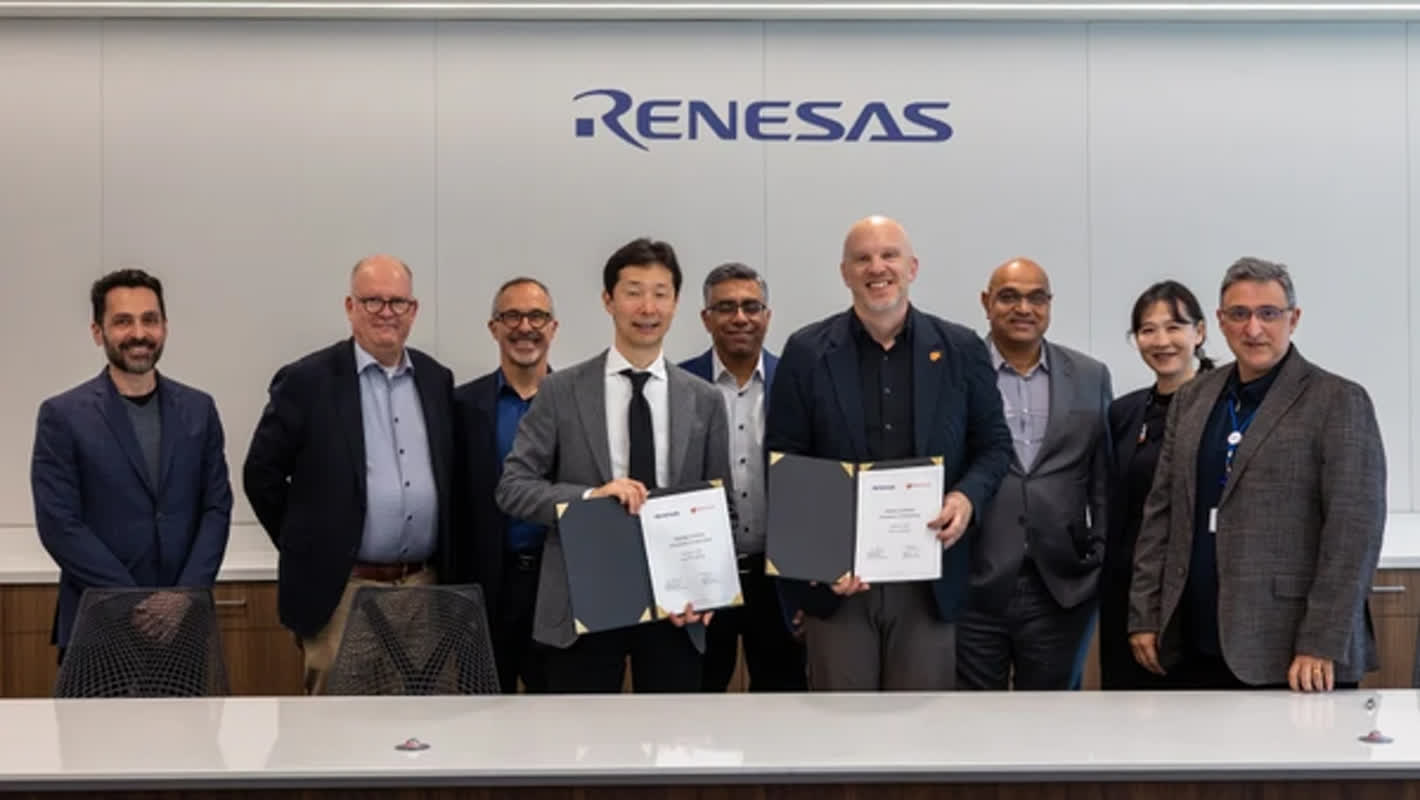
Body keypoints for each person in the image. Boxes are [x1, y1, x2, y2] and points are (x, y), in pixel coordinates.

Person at [765, 215, 1013, 691]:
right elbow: (785, 462)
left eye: (889, 256)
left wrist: (965, 498)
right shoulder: (807, 351)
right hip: (841, 584)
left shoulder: (960, 348)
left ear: (912, 267)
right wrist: (818, 561)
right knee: (841, 726)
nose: (877, 268)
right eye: (862, 258)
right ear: (845, 273)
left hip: (929, 579)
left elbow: (994, 445)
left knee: (922, 728)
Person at [1129, 257, 1385, 691]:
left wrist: (1320, 643)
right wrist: (1145, 614)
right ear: (1220, 321)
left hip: (1293, 652)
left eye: (1268, 313)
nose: (1253, 329)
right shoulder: (1193, 398)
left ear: (1293, 318)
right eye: (1239, 314)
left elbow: (1353, 536)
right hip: (1193, 640)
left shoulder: (1337, 401)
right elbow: (1161, 515)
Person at [495, 237, 733, 693]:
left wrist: (708, 590)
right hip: (584, 597)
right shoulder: (562, 391)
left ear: (676, 303)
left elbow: (721, 506)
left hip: (675, 605)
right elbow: (513, 487)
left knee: (676, 731)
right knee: (580, 733)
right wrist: (589, 497)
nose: (647, 307)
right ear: (608, 300)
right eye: (633, 292)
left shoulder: (703, 399)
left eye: (660, 293)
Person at [243, 255, 460, 695]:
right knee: (336, 724)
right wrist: (308, 546)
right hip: (343, 592)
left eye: (397, 302)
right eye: (372, 301)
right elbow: (261, 475)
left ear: (413, 310)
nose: (386, 312)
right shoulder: (307, 381)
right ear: (350, 306)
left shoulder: (436, 380)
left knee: (427, 722)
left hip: (424, 590)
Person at [31, 268, 232, 656]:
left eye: (149, 320)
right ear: (98, 332)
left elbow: (216, 509)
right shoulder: (63, 416)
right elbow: (59, 524)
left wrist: (182, 597)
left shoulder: (199, 410)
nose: (139, 333)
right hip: (97, 625)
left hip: (183, 624)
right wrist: (134, 603)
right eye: (123, 321)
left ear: (165, 327)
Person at [957, 258, 1113, 691]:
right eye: (1008, 297)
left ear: (1049, 304)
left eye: (1036, 298)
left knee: (1053, 718)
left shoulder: (1090, 376)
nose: (1023, 308)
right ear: (986, 303)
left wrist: (1099, 552)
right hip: (974, 582)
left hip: (1061, 584)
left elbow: (1102, 478)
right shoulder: (956, 373)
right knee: (971, 717)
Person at [680, 262, 806, 692]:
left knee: (782, 700)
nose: (740, 317)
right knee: (698, 700)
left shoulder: (797, 381)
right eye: (726, 307)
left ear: (767, 316)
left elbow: (816, 480)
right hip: (702, 575)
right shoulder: (678, 385)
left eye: (751, 307)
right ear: (706, 318)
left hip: (778, 577)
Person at [1099, 280, 1213, 690]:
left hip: (1195, 595)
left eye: (1174, 327)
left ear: (1199, 332)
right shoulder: (1124, 412)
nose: (1161, 341)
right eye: (1148, 330)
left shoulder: (1225, 407)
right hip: (1127, 592)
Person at [454, 276, 559, 693]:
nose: (525, 327)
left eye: (537, 316)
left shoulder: (577, 402)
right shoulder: (460, 406)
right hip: (483, 590)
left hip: (557, 587)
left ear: (553, 327)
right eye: (511, 316)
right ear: (493, 327)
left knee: (558, 717)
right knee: (481, 714)